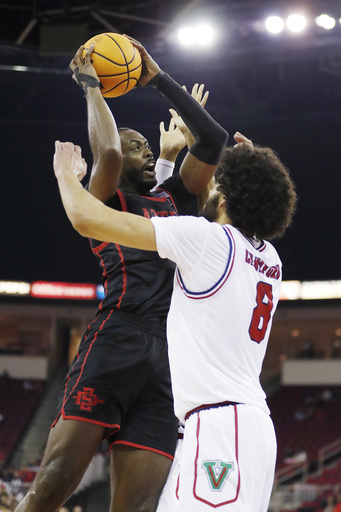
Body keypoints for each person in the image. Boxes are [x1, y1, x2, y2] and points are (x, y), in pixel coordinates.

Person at [15, 38, 227, 512]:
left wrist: (159, 79)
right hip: (117, 337)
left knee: (135, 507)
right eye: (139, 147)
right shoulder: (107, 199)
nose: (146, 152)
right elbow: (107, 152)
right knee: (51, 487)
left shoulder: (175, 198)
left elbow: (212, 140)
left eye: (148, 146)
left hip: (170, 358)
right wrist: (92, 88)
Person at [51, 119, 297, 511]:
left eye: (219, 185)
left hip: (221, 426)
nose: (210, 186)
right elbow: (177, 206)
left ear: (228, 202)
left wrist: (67, 176)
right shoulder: (268, 257)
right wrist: (169, 158)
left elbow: (87, 218)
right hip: (237, 425)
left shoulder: (208, 241)